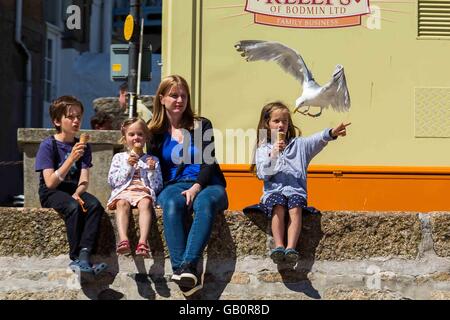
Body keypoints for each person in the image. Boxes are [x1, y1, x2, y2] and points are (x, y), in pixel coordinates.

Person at [148, 75, 228, 297]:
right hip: (172, 185)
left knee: (205, 202)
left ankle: (188, 266)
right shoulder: (153, 131)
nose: (179, 100)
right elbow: (152, 167)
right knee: (172, 204)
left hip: (207, 183)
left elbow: (209, 161)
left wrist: (196, 187)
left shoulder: (202, 125)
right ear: (162, 98)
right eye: (174, 95)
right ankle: (182, 272)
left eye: (183, 95)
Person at [252, 101, 350, 264]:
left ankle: (291, 247)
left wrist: (332, 132)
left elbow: (316, 140)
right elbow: (263, 174)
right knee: (278, 205)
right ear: (267, 124)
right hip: (273, 192)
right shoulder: (263, 148)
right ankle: (279, 245)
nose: (281, 125)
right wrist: (274, 154)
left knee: (295, 206)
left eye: (285, 121)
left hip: (296, 190)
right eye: (276, 121)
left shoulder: (299, 145)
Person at [35, 95, 108, 275]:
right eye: (70, 117)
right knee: (72, 207)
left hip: (72, 189)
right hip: (51, 191)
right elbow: (50, 182)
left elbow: (84, 179)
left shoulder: (82, 146)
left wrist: (79, 191)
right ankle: (75, 258)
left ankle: (85, 255)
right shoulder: (48, 145)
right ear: (57, 121)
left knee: (94, 206)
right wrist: (71, 159)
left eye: (79, 116)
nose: (76, 121)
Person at [107, 117, 163, 258]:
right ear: (125, 139)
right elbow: (113, 181)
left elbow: (157, 186)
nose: (136, 137)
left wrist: (151, 170)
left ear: (146, 137)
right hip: (123, 192)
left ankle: (143, 242)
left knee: (146, 203)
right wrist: (128, 165)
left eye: (140, 134)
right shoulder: (119, 158)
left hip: (142, 192)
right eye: (131, 134)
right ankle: (124, 239)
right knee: (122, 204)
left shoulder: (153, 160)